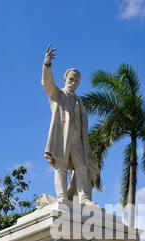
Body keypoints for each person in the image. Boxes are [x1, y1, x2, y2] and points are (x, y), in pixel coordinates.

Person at [41, 45, 99, 206]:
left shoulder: (79, 101)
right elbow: (47, 84)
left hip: (77, 138)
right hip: (62, 135)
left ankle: (84, 198)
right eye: (71, 79)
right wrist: (47, 65)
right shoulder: (57, 94)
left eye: (77, 81)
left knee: (82, 167)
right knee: (61, 166)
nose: (74, 82)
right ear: (65, 79)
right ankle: (61, 197)